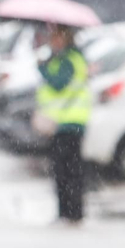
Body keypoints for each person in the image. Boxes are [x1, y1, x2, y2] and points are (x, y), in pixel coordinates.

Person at [37, 24, 91, 224]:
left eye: (56, 37)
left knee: (68, 170)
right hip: (62, 122)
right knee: (65, 170)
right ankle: (67, 211)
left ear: (65, 38)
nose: (52, 41)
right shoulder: (62, 58)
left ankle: (71, 212)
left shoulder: (69, 60)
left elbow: (58, 83)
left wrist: (42, 68)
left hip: (70, 121)